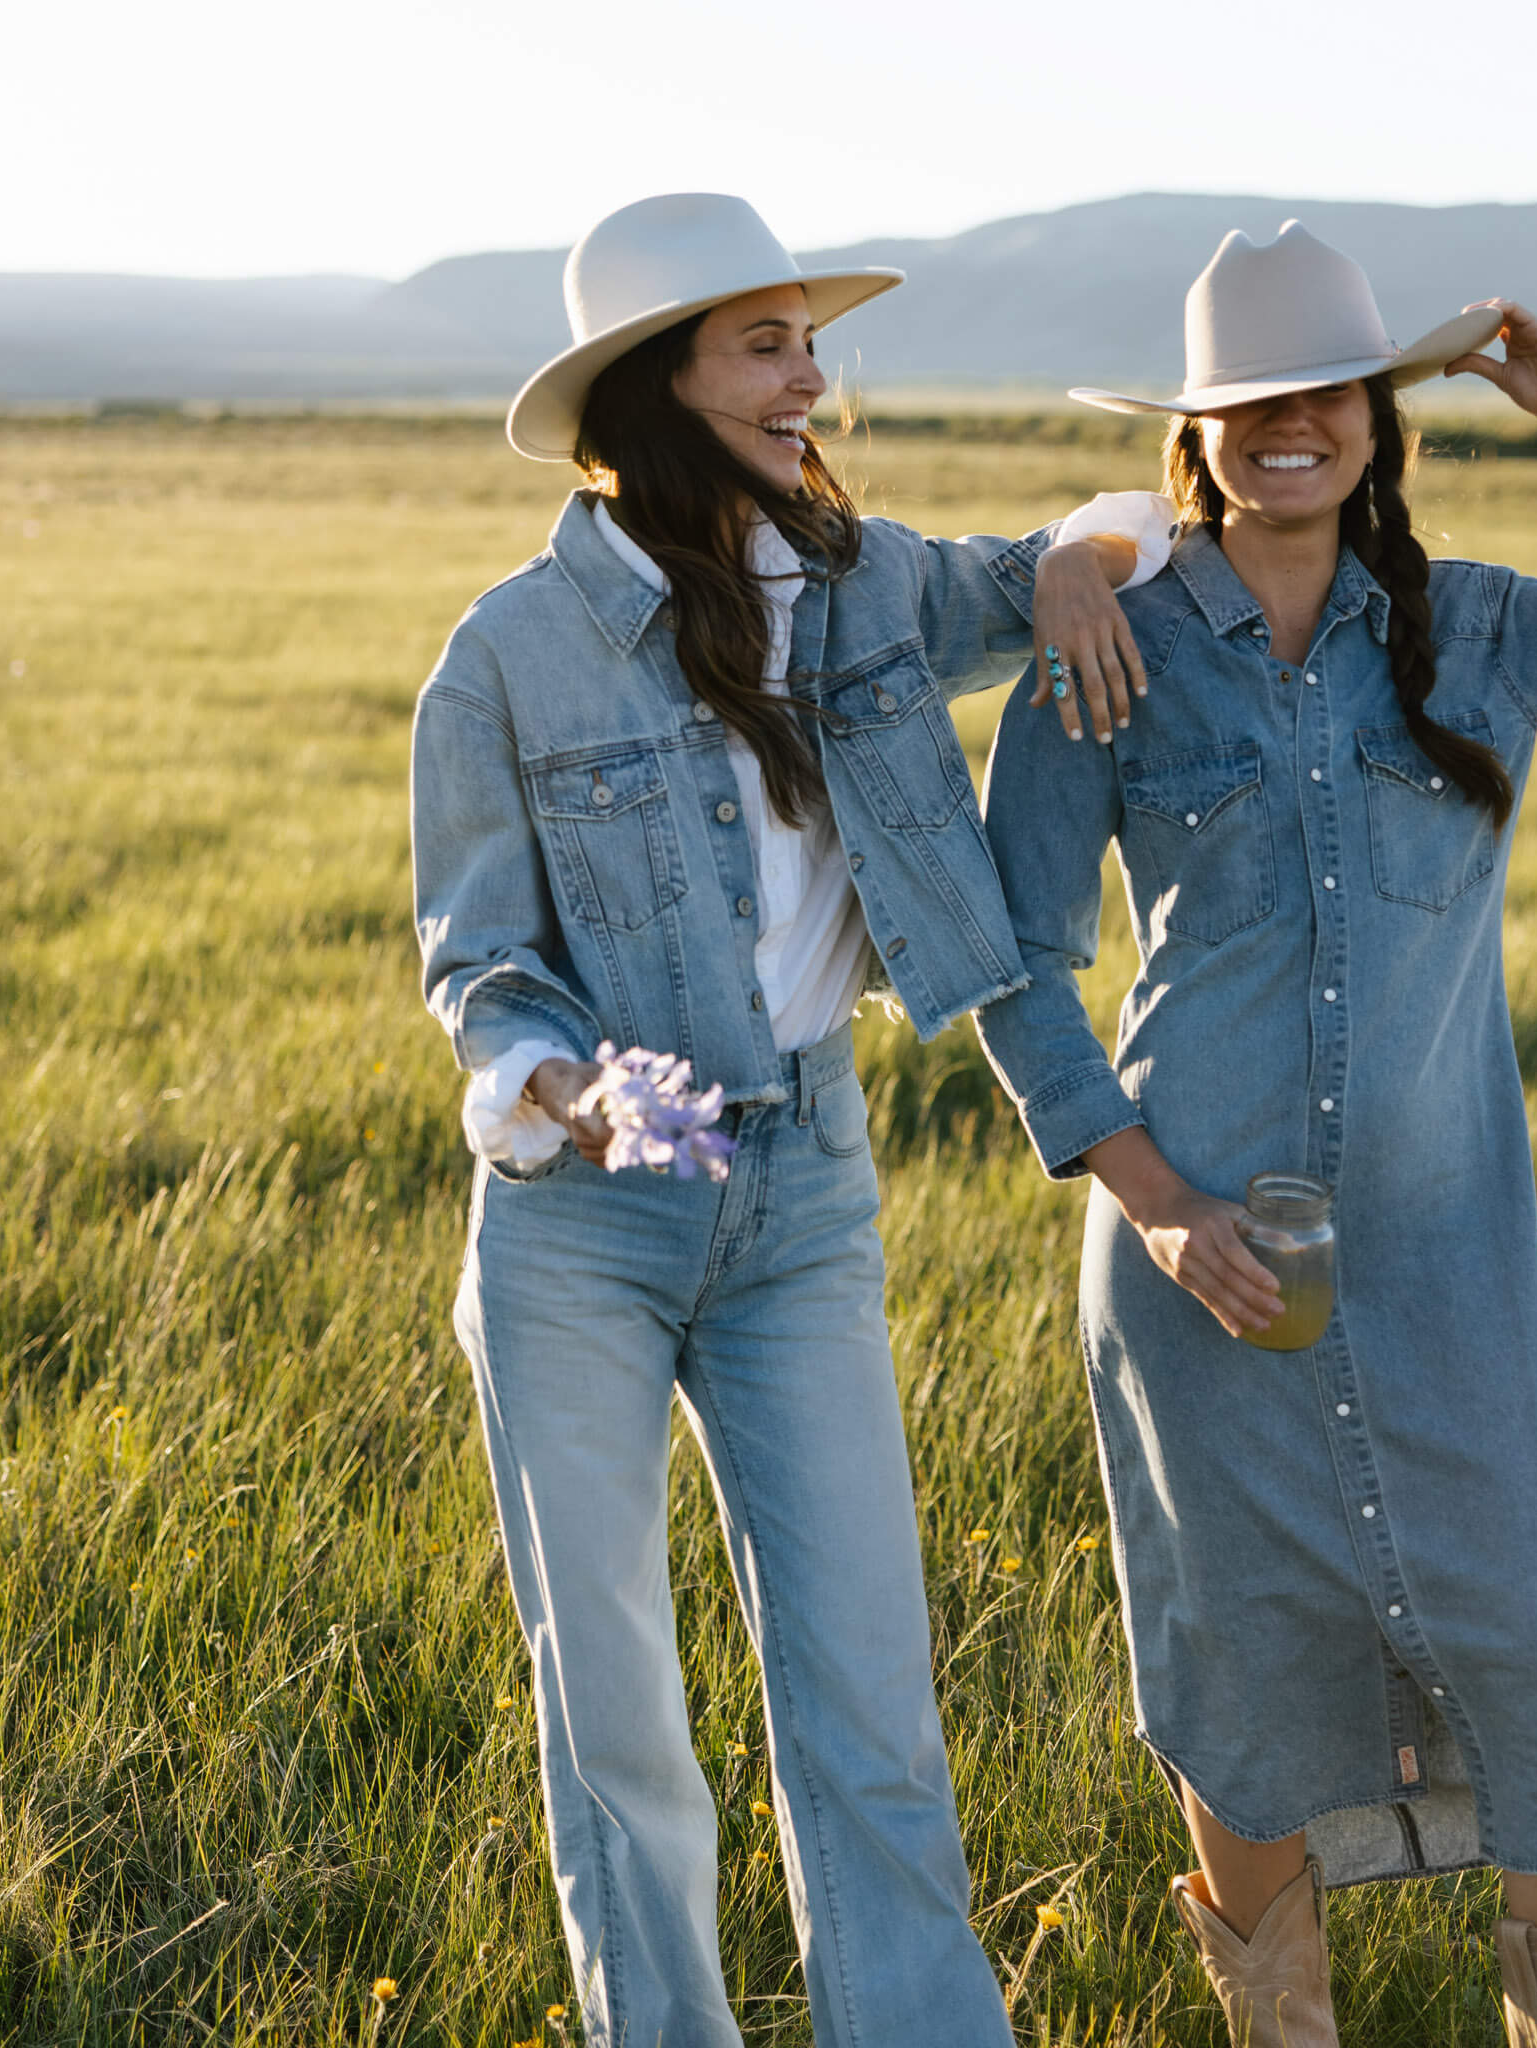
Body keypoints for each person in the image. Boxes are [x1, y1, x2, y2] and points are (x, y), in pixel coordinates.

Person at [974, 220, 1537, 2048]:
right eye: (1250, 401)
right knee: (1246, 1677)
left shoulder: (1480, 626)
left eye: (1329, 391)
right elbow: (1016, 959)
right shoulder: (1105, 638)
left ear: (1378, 417)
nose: (1292, 425)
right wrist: (1152, 1201)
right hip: (1202, 1268)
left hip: (1448, 1265)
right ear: (1195, 431)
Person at [410, 191, 1158, 2048]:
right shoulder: (508, 655)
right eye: (764, 345)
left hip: (805, 1187)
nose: (810, 378)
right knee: (619, 1726)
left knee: (869, 1699)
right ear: (653, 384)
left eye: (811, 344)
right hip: (584, 1221)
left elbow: (1118, 527)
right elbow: (482, 962)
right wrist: (560, 1087)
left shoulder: (873, 582)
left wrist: (1077, 561)